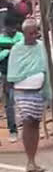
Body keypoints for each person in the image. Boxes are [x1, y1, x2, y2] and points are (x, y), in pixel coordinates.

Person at [7, 18, 52, 172]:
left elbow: (46, 66)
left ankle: (33, 160)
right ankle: (30, 162)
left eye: (36, 32)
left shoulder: (41, 47)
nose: (34, 35)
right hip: (22, 93)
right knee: (27, 122)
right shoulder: (17, 49)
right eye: (30, 33)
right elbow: (13, 73)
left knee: (34, 124)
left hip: (38, 91)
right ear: (24, 33)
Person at [0, 11, 23, 143]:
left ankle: (27, 129)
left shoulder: (21, 37)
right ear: (5, 27)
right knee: (9, 104)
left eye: (14, 27)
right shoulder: (1, 39)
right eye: (10, 28)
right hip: (7, 75)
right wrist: (7, 52)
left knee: (25, 101)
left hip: (22, 74)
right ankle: (13, 130)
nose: (13, 30)